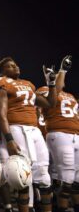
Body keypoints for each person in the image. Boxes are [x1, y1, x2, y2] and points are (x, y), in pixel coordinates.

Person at [0, 57, 57, 212]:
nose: (15, 67)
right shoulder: (0, 82)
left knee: (44, 174)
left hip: (34, 129)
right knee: (22, 174)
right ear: (2, 71)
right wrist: (9, 139)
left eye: (15, 64)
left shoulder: (28, 84)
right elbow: (1, 114)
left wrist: (51, 83)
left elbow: (50, 103)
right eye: (10, 66)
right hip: (16, 128)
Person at [37, 56, 79, 212]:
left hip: (75, 134)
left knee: (77, 179)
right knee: (66, 178)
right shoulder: (43, 90)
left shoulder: (71, 96)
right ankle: (61, 208)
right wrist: (62, 71)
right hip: (59, 133)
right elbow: (56, 89)